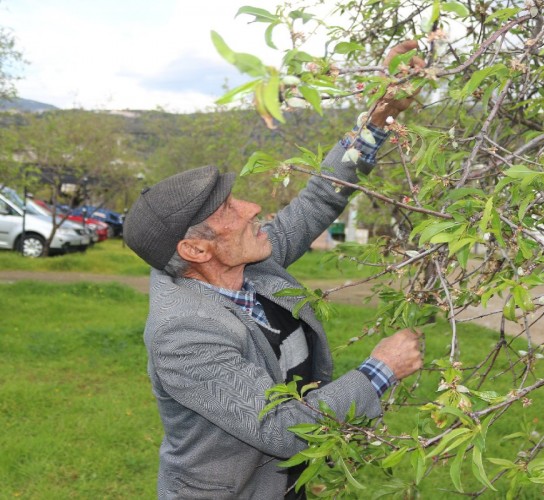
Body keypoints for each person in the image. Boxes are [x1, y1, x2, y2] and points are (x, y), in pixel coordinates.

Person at [123, 41, 425, 499]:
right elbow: (284, 426)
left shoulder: (251, 263)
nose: (253, 208)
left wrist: (378, 116)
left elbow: (317, 200)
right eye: (229, 208)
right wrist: (380, 370)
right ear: (195, 249)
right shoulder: (182, 333)